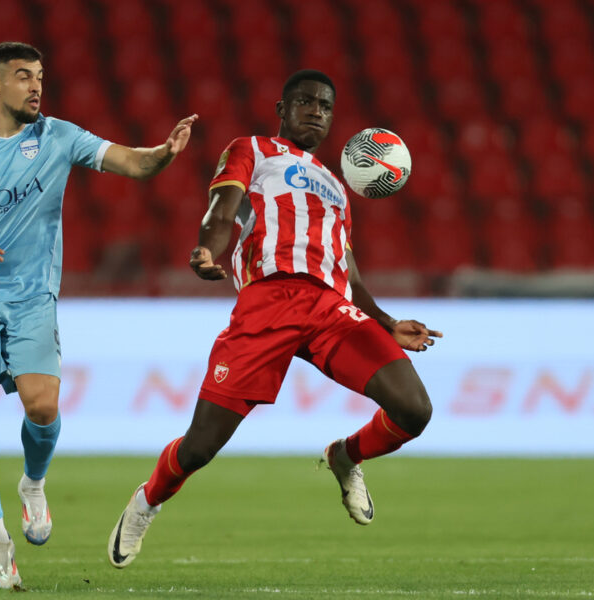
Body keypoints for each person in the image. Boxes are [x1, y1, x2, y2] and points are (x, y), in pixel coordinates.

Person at [107, 69, 443, 569]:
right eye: (305, 102)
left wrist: (385, 320)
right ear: (281, 110)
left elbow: (345, 267)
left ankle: (345, 456)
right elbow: (223, 211)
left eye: (325, 106)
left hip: (332, 310)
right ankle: (147, 501)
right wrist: (206, 248)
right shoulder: (253, 149)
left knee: (414, 410)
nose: (316, 111)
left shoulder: (337, 186)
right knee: (199, 447)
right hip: (268, 302)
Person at [0, 41, 196, 589]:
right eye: (23, 77)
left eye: (40, 76)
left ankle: (33, 483)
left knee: (42, 406)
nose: (36, 86)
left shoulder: (59, 136)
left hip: (31, 297)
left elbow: (132, 162)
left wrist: (163, 153)